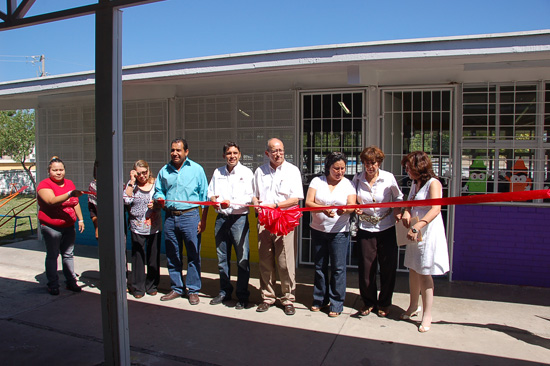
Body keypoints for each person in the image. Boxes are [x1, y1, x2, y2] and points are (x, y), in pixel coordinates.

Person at [252, 138, 304, 315]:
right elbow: (254, 196)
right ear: (267, 153)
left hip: (284, 221)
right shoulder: (260, 171)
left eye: (280, 150)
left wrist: (275, 206)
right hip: (265, 222)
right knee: (265, 261)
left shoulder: (292, 171)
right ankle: (267, 297)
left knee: (285, 262)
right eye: (274, 151)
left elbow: (296, 198)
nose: (278, 154)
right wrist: (256, 203)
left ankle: (288, 298)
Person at [154, 138, 208, 305]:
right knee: (172, 254)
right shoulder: (164, 170)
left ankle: (193, 289)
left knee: (193, 254)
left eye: (178, 150)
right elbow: (158, 191)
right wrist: (160, 198)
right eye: (173, 150)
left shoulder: (197, 170)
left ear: (186, 152)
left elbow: (204, 198)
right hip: (170, 217)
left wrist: (203, 220)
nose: (175, 153)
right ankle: (177, 288)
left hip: (190, 217)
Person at [400, 151, 450, 333]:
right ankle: (413, 305)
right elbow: (410, 201)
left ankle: (427, 314)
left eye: (409, 167)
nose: (407, 171)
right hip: (415, 232)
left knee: (424, 272)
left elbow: (436, 208)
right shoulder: (416, 182)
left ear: (419, 166)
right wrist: (406, 211)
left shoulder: (433, 183)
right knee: (413, 268)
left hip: (428, 232)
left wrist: (418, 225)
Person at [353, 146, 403, 317]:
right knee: (367, 269)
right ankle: (368, 301)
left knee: (388, 267)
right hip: (366, 228)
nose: (370, 167)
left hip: (386, 227)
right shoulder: (357, 179)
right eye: (367, 163)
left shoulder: (388, 178)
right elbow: (352, 199)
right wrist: (356, 208)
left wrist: (397, 211)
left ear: (379, 162)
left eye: (373, 163)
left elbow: (398, 197)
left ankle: (384, 302)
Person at [305, 152, 356, 317]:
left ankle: (336, 303)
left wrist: (344, 210)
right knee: (320, 267)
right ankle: (319, 299)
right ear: (328, 168)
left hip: (339, 232)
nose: (340, 172)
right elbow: (308, 202)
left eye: (343, 168)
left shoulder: (348, 184)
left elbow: (352, 205)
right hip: (318, 230)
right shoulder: (317, 181)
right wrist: (322, 209)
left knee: (338, 268)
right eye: (336, 168)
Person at [207, 142, 254, 309]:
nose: (232, 156)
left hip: (238, 220)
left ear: (240, 155)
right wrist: (213, 200)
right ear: (224, 156)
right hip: (221, 219)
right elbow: (210, 192)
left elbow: (250, 197)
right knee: (222, 259)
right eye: (228, 153)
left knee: (242, 259)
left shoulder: (247, 173)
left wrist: (231, 205)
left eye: (235, 153)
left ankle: (242, 296)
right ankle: (224, 291)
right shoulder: (217, 172)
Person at [37, 156, 85, 295]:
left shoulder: (69, 183)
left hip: (68, 226)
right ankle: (53, 284)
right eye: (55, 170)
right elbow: (51, 201)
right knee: (53, 255)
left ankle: (71, 282)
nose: (58, 172)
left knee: (68, 254)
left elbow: (75, 202)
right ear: (49, 171)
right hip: (51, 227)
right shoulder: (44, 185)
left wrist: (80, 219)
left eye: (61, 169)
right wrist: (69, 194)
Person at [123, 160, 162, 299]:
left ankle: (152, 285)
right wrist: (132, 181)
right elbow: (125, 200)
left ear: (148, 170)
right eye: (138, 174)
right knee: (138, 258)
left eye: (144, 173)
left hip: (154, 227)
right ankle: (138, 287)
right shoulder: (132, 186)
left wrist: (157, 204)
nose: (142, 176)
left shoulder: (156, 183)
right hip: (137, 227)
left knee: (153, 258)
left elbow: (163, 198)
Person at [88, 160, 98, 240]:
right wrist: (97, 228)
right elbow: (92, 210)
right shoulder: (93, 186)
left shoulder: (119, 183)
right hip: (101, 224)